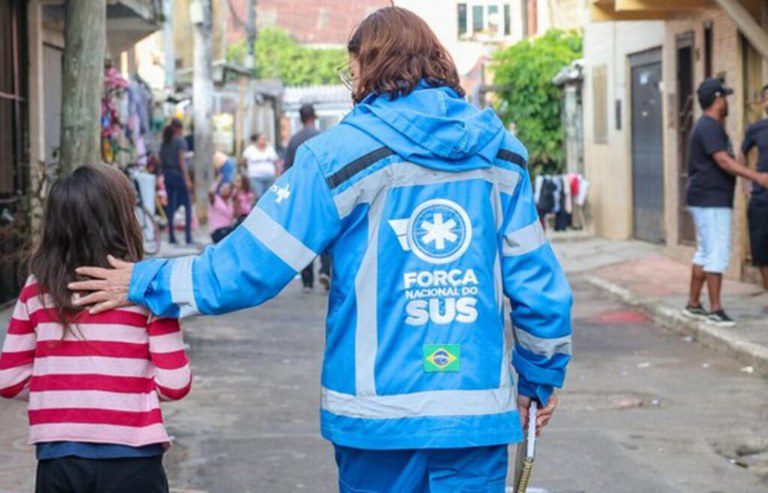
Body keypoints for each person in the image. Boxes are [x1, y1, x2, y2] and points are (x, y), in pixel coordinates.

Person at [70, 7, 571, 492]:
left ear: (369, 68)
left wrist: (144, 280)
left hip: (376, 420)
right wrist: (539, 382)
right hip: (474, 419)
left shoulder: (337, 156)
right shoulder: (501, 156)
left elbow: (250, 265)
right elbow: (539, 289)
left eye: (352, 71)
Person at [0, 164, 191, 493]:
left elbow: (9, 379)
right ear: (124, 220)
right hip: (133, 459)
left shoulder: (36, 289)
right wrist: (125, 389)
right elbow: (175, 384)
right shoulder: (147, 290)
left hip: (58, 459)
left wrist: (60, 389)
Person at [683, 78, 768, 327]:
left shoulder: (708, 126)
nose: (728, 102)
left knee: (705, 251)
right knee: (717, 253)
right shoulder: (710, 126)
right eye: (725, 97)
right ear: (718, 100)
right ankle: (716, 309)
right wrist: (757, 177)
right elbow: (723, 160)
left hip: (705, 198)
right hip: (711, 199)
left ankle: (694, 304)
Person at [285, 104, 331, 291]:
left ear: (301, 118)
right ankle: (325, 270)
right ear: (314, 116)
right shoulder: (323, 137)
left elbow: (287, 170)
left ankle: (307, 281)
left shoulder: (294, 140)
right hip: (322, 193)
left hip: (301, 195)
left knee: (304, 236)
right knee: (326, 232)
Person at [740, 84, 768, 305]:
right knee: (761, 251)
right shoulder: (756, 129)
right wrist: (745, 183)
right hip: (761, 198)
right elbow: (741, 153)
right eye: (766, 98)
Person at [159, 118, 194, 245]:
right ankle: (188, 237)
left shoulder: (164, 142)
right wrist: (187, 179)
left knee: (171, 206)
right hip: (178, 175)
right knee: (188, 205)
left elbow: (160, 160)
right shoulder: (180, 141)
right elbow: (181, 161)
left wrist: (161, 175)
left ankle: (171, 237)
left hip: (167, 175)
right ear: (178, 129)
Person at [209, 180, 235, 244]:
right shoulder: (215, 199)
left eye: (226, 189)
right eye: (223, 188)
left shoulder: (230, 202)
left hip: (228, 229)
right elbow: (211, 192)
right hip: (217, 231)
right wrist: (218, 180)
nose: (224, 190)